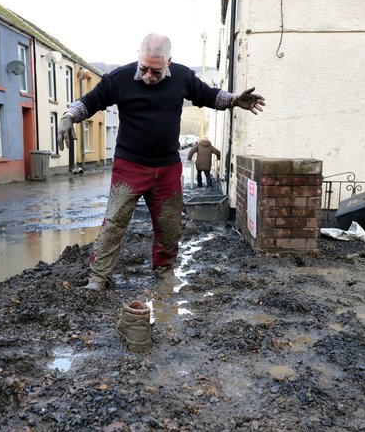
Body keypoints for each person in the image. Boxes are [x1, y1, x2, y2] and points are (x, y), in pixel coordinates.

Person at [58, 33, 265, 291]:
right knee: (114, 223)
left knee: (169, 226)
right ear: (138, 58)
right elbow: (90, 101)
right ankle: (99, 277)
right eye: (143, 68)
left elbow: (208, 95)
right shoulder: (119, 79)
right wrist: (68, 116)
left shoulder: (182, 77)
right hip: (129, 166)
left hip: (167, 168)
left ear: (169, 62)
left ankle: (164, 271)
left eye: (155, 71)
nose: (147, 76)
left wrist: (234, 100)